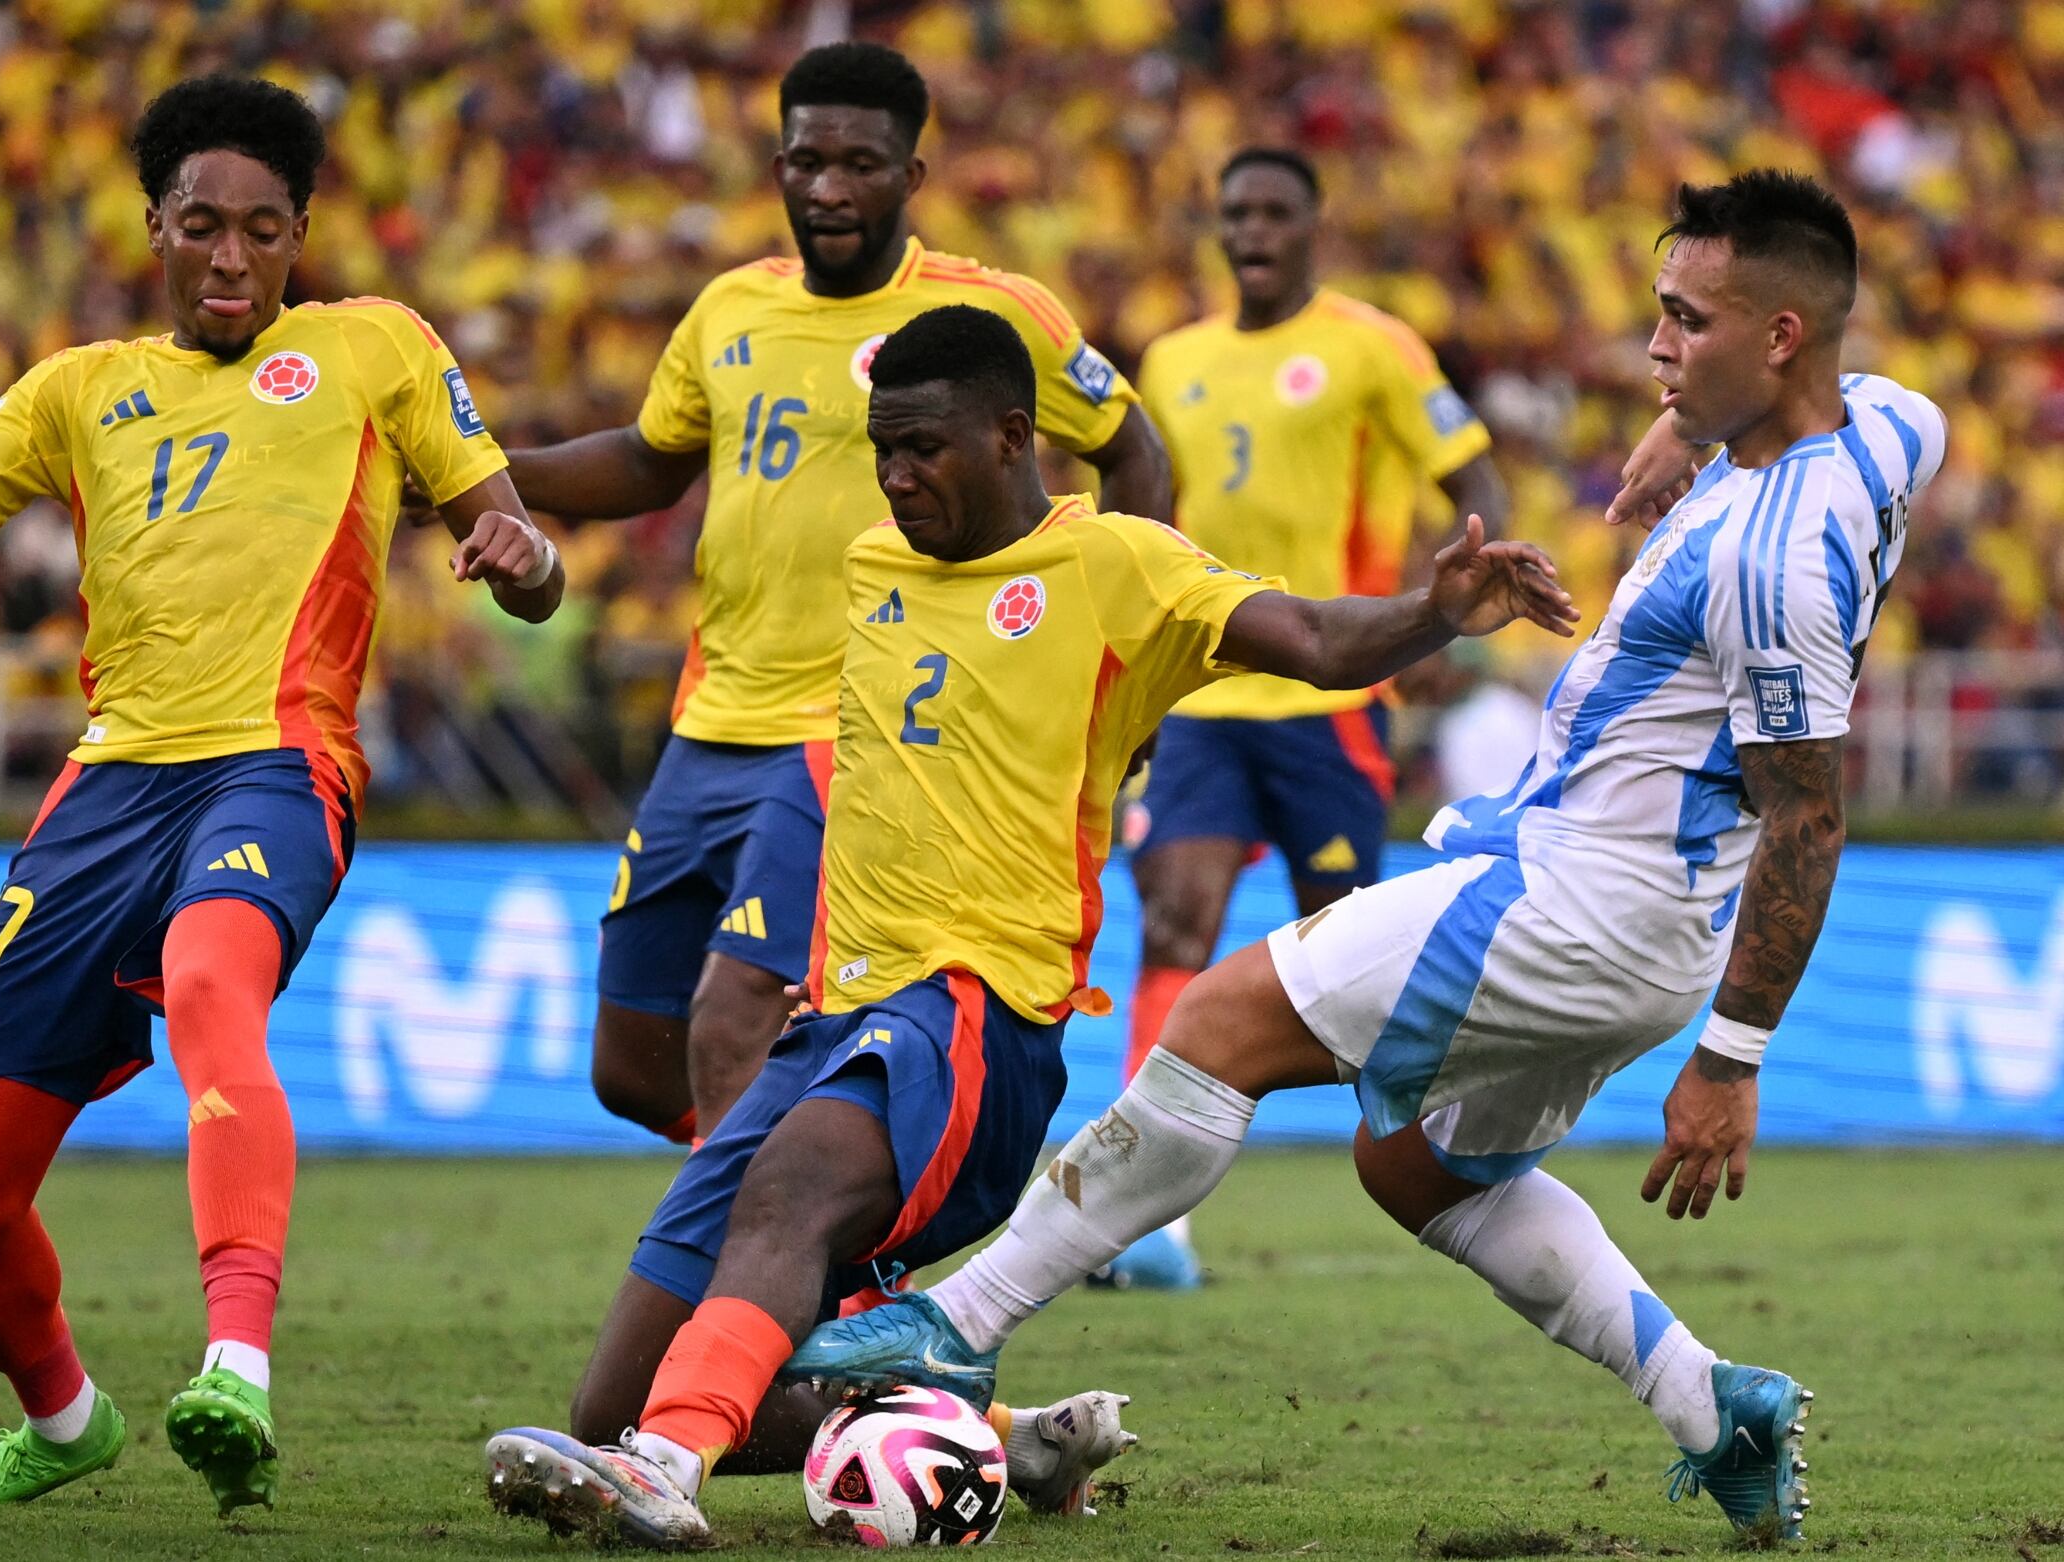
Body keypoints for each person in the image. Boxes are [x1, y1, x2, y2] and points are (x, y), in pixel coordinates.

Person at [783, 171, 1945, 1549]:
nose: (1655, 349)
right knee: (1414, 1167)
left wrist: (1732, 1059)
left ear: (1784, 338)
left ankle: (960, 1325)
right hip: (1630, 910)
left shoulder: (1779, 553)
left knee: (1218, 1022)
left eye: (1687, 325)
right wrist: (1682, 431)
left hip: (1579, 899)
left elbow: (1808, 814)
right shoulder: (1889, 426)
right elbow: (1868, 414)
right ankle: (1715, 1407)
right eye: (1659, 315)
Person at [481, 303, 1574, 1550]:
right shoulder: (871, 569)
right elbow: (885, 785)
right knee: (609, 1394)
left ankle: (664, 1470)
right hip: (838, 1018)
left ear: (1014, 437)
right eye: (882, 450)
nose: (896, 476)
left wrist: (1435, 610)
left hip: (973, 1022)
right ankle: (996, 1442)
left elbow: (1315, 640)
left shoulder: (1117, 567)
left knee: (786, 1201)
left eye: (923, 449)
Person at [0, 75, 562, 1515]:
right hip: (105, 792)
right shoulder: (74, 391)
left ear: (302, 237)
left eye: (266, 232)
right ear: (153, 223)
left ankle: (236, 1366)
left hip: (279, 761)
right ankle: (64, 1421)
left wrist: (524, 561)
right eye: (205, 227)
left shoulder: (378, 352)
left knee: (213, 977)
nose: (233, 260)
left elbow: (513, 543)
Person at [504, 42, 1174, 1148]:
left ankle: (765, 1289)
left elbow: (1132, 448)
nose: (829, 188)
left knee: (733, 1020)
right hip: (711, 721)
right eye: (808, 161)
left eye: (860, 164)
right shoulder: (730, 309)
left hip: (856, 730)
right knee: (632, 1065)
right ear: (777, 166)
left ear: (910, 178)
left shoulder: (987, 316)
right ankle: (831, 1196)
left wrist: (1122, 669)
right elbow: (646, 460)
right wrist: (487, 473)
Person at [1106, 146, 1511, 1290]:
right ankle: (1152, 1220)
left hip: (1333, 695)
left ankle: (1440, 1155)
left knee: (1345, 944)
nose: (1253, 231)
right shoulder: (1173, 359)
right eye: (1236, 212)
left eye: (1276, 212)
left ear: (1312, 225)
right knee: (1176, 918)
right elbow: (1142, 512)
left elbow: (1471, 469)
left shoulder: (1372, 344)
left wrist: (1460, 597)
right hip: (1203, 689)